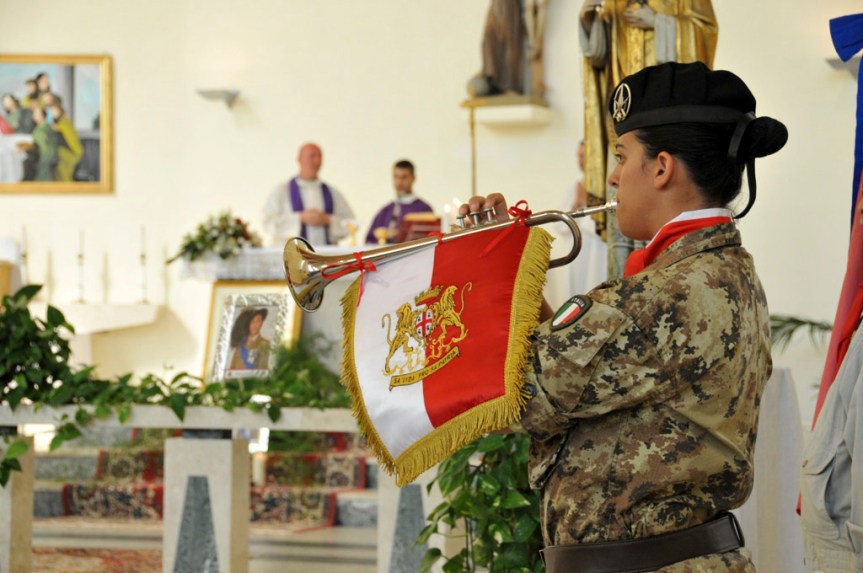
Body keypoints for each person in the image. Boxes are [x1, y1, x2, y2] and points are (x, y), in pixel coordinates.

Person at [459, 61, 788, 572]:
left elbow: (518, 393)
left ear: (661, 167)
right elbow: (568, 373)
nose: (611, 176)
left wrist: (486, 268)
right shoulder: (720, 271)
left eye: (620, 155)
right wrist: (515, 271)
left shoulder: (662, 294)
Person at [579, 0, 718, 279]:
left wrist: (659, 22)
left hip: (662, 128)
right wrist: (590, 22)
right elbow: (598, 56)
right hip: (620, 122)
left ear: (664, 168)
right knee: (621, 250)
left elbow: (704, 32)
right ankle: (622, 278)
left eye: (621, 162)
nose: (612, 178)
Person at [263, 142, 355, 246]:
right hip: (290, 257)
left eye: (319, 157)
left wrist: (327, 220)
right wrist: (300, 218)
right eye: (312, 156)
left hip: (325, 255)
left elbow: (351, 223)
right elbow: (267, 222)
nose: (316, 161)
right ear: (299, 159)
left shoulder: (333, 193)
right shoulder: (282, 191)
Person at [364, 159, 434, 245]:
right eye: (396, 177)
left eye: (404, 177)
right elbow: (369, 241)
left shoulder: (424, 209)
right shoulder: (385, 211)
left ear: (413, 178)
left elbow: (431, 241)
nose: (399, 182)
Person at [227, 307, 272, 372]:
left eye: (258, 321)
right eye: (252, 321)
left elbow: (262, 370)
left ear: (261, 323)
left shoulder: (264, 344)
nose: (254, 324)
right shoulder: (241, 344)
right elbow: (232, 368)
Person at [49, 102, 83, 182]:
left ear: (61, 112)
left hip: (70, 154)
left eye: (55, 111)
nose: (53, 113)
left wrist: (55, 128)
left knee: (65, 177)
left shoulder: (65, 123)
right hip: (64, 154)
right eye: (52, 111)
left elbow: (72, 141)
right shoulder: (59, 124)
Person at [30, 106, 59, 181]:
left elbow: (42, 145)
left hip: (45, 158)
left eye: (36, 114)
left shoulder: (41, 130)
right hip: (50, 157)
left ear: (42, 115)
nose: (34, 116)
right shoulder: (47, 127)